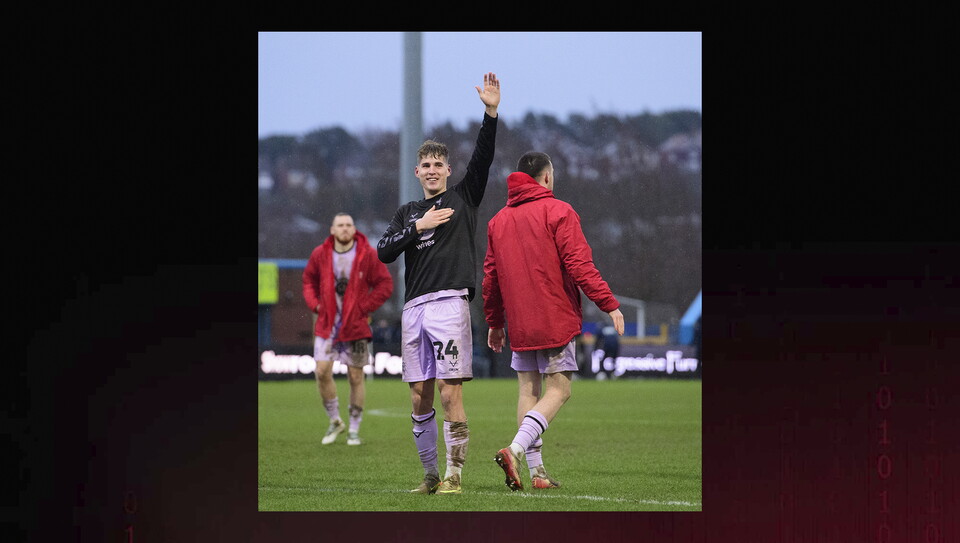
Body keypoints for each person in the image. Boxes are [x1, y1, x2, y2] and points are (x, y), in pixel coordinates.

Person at [377, 72, 500, 495]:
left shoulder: (463, 197)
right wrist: (419, 226)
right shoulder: (407, 211)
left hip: (449, 305)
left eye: (438, 165)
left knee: (450, 393)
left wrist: (490, 113)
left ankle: (454, 476)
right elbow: (383, 251)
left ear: (448, 170)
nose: (432, 171)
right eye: (425, 165)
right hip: (414, 310)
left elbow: (482, 158)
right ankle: (429, 477)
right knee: (418, 398)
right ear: (417, 171)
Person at [483, 151, 624, 491]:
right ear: (546, 177)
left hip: (519, 322)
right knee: (559, 390)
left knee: (528, 390)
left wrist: (495, 322)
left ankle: (537, 474)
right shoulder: (559, 210)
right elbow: (579, 265)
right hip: (553, 318)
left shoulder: (497, 221)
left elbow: (490, 277)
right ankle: (514, 450)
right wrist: (609, 304)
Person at [302, 213, 393, 446]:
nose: (345, 229)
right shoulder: (320, 254)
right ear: (332, 230)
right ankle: (335, 420)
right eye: (340, 225)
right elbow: (308, 281)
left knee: (355, 376)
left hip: (356, 325)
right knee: (321, 372)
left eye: (349, 225)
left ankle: (354, 427)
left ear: (354, 229)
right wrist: (315, 305)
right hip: (327, 325)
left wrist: (365, 306)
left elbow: (385, 283)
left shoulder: (367, 254)